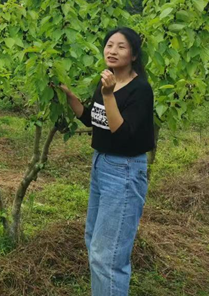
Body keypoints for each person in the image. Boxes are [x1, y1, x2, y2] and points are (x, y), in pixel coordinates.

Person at [59, 27, 154, 296]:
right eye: (109, 45)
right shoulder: (106, 82)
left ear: (134, 55)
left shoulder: (140, 90)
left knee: (108, 256)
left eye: (121, 47)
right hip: (101, 165)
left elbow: (122, 134)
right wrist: (69, 96)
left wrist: (110, 94)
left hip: (124, 170)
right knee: (95, 244)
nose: (112, 51)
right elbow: (92, 119)